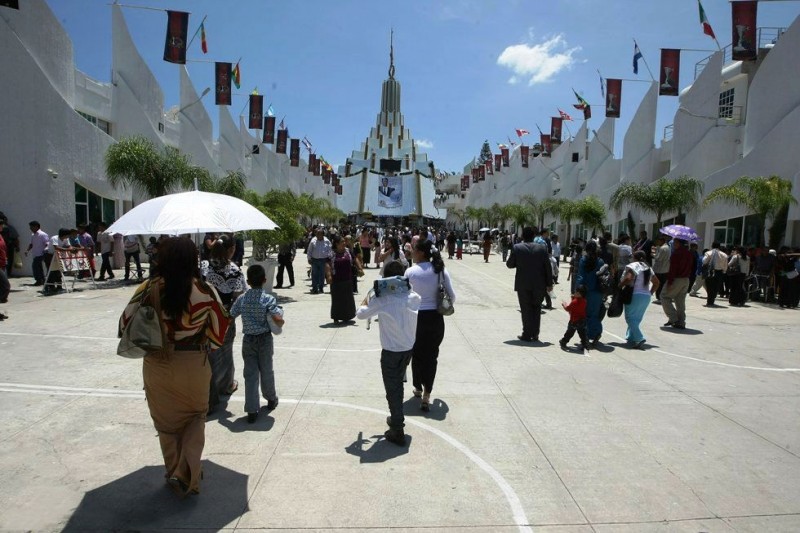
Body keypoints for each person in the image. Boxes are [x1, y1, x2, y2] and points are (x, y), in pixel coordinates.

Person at [118, 237, 229, 497]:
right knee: (195, 418)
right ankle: (185, 472)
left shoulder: (148, 288)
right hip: (193, 364)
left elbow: (125, 323)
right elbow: (219, 332)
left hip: (157, 363)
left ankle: (176, 472)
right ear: (194, 260)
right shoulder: (204, 289)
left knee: (167, 425)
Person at [355, 260, 421, 445]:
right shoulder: (413, 296)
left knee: (393, 389)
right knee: (397, 385)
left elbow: (360, 313)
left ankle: (397, 428)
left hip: (391, 351)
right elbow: (412, 294)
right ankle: (396, 418)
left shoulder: (381, 299)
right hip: (408, 349)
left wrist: (370, 294)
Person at [229, 264, 284, 423]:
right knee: (266, 370)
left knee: (250, 374)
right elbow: (277, 319)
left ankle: (252, 409)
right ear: (264, 280)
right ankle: (271, 398)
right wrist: (280, 321)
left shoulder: (242, 298)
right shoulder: (268, 299)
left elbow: (231, 315)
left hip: (248, 341)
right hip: (265, 339)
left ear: (248, 281)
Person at [406, 239, 455, 412]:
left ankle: (418, 387)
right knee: (431, 356)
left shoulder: (411, 272)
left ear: (420, 252)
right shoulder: (440, 271)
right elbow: (452, 297)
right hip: (435, 318)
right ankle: (427, 393)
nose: (411, 252)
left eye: (413, 249)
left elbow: (403, 296)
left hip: (416, 318)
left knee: (417, 354)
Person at [201, 235, 246, 412]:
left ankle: (209, 389)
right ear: (232, 249)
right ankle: (226, 385)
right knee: (226, 352)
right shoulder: (234, 270)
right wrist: (230, 316)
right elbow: (239, 296)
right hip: (225, 317)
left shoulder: (203, 266)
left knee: (208, 354)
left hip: (205, 317)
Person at [506, 226, 553, 343]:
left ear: (523, 236)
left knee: (526, 309)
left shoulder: (517, 248)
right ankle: (535, 334)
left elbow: (510, 264)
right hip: (539, 284)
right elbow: (548, 267)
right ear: (534, 236)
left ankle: (527, 333)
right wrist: (549, 283)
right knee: (536, 308)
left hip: (523, 284)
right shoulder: (542, 248)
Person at [619, 250, 659, 349]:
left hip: (634, 294)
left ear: (634, 257)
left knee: (630, 318)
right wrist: (650, 293)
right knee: (637, 318)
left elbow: (628, 279)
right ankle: (631, 336)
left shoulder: (633, 266)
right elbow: (657, 282)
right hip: (645, 296)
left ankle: (639, 338)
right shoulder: (648, 267)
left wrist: (619, 286)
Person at [576, 240, 605, 345]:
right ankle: (596, 333)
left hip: (586, 291)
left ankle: (588, 335)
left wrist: (577, 291)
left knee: (585, 315)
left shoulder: (583, 260)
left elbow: (580, 276)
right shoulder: (600, 261)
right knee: (595, 314)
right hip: (598, 291)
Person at [661, 238, 692, 329]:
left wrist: (670, 282)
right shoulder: (689, 253)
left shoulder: (676, 254)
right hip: (686, 279)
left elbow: (673, 269)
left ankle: (674, 318)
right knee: (680, 301)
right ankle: (681, 321)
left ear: (679, 243)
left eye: (675, 242)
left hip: (676, 279)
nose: (673, 243)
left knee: (664, 296)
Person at [325, 235, 357, 324]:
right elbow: (327, 264)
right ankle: (336, 317)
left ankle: (347, 316)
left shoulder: (348, 251)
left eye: (344, 241)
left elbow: (354, 259)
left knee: (347, 299)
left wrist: (360, 268)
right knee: (337, 299)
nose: (344, 243)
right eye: (342, 242)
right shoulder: (331, 253)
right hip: (336, 280)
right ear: (336, 244)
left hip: (347, 279)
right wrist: (328, 276)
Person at [559, 285, 589, 353]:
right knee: (582, 333)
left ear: (578, 293)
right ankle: (585, 345)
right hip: (582, 320)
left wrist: (564, 304)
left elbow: (568, 308)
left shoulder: (574, 301)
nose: (574, 293)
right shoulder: (584, 301)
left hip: (574, 320)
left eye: (576, 292)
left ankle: (564, 341)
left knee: (570, 332)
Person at [702, 242, 728, 307]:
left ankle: (709, 301)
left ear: (712, 246)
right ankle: (712, 300)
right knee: (716, 287)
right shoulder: (724, 255)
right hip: (719, 272)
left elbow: (704, 261)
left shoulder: (708, 253)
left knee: (709, 287)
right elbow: (725, 266)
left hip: (710, 271)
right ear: (719, 247)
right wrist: (724, 271)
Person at [306, 228, 331, 294]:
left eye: (319, 234)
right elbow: (309, 250)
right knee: (314, 274)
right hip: (314, 260)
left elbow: (329, 250)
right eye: (317, 233)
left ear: (323, 234)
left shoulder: (327, 241)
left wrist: (329, 258)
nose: (318, 235)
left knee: (322, 275)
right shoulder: (313, 240)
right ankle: (315, 289)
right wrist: (309, 258)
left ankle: (321, 288)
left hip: (323, 260)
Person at [25, 221, 49, 286]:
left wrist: (45, 251)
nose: (30, 228)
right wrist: (27, 250)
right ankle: (42, 280)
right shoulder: (33, 235)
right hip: (35, 254)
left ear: (36, 226)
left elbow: (47, 244)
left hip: (41, 254)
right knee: (38, 267)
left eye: (31, 227)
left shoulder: (43, 234)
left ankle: (39, 280)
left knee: (35, 266)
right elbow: (31, 244)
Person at [652, 235, 671, 302]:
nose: (657, 242)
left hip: (660, 270)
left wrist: (654, 255)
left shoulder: (663, 248)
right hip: (665, 269)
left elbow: (658, 258)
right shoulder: (667, 247)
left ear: (662, 241)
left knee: (659, 284)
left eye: (658, 241)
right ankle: (661, 297)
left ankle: (659, 298)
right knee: (662, 284)